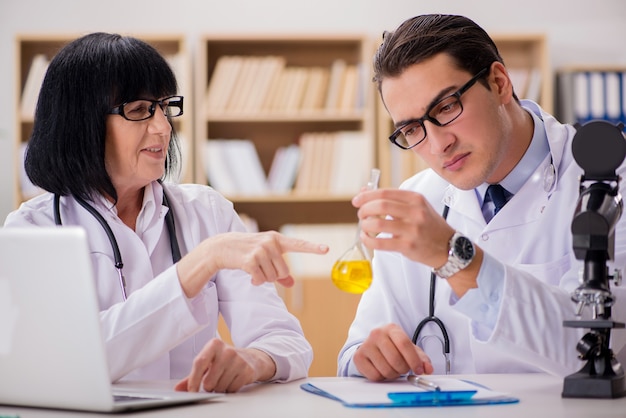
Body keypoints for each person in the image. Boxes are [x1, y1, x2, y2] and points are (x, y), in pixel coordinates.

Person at [4, 32, 329, 393]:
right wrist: (199, 264)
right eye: (140, 110)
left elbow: (288, 342)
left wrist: (255, 361)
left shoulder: (207, 211)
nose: (163, 127)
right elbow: (63, 363)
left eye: (164, 106)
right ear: (81, 122)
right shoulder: (32, 230)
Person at [337, 14, 626, 381]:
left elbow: (590, 346)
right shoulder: (417, 198)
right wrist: (369, 358)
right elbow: (352, 356)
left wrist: (452, 255)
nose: (439, 144)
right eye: (412, 129)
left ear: (500, 83)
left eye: (445, 108)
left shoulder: (612, 181)